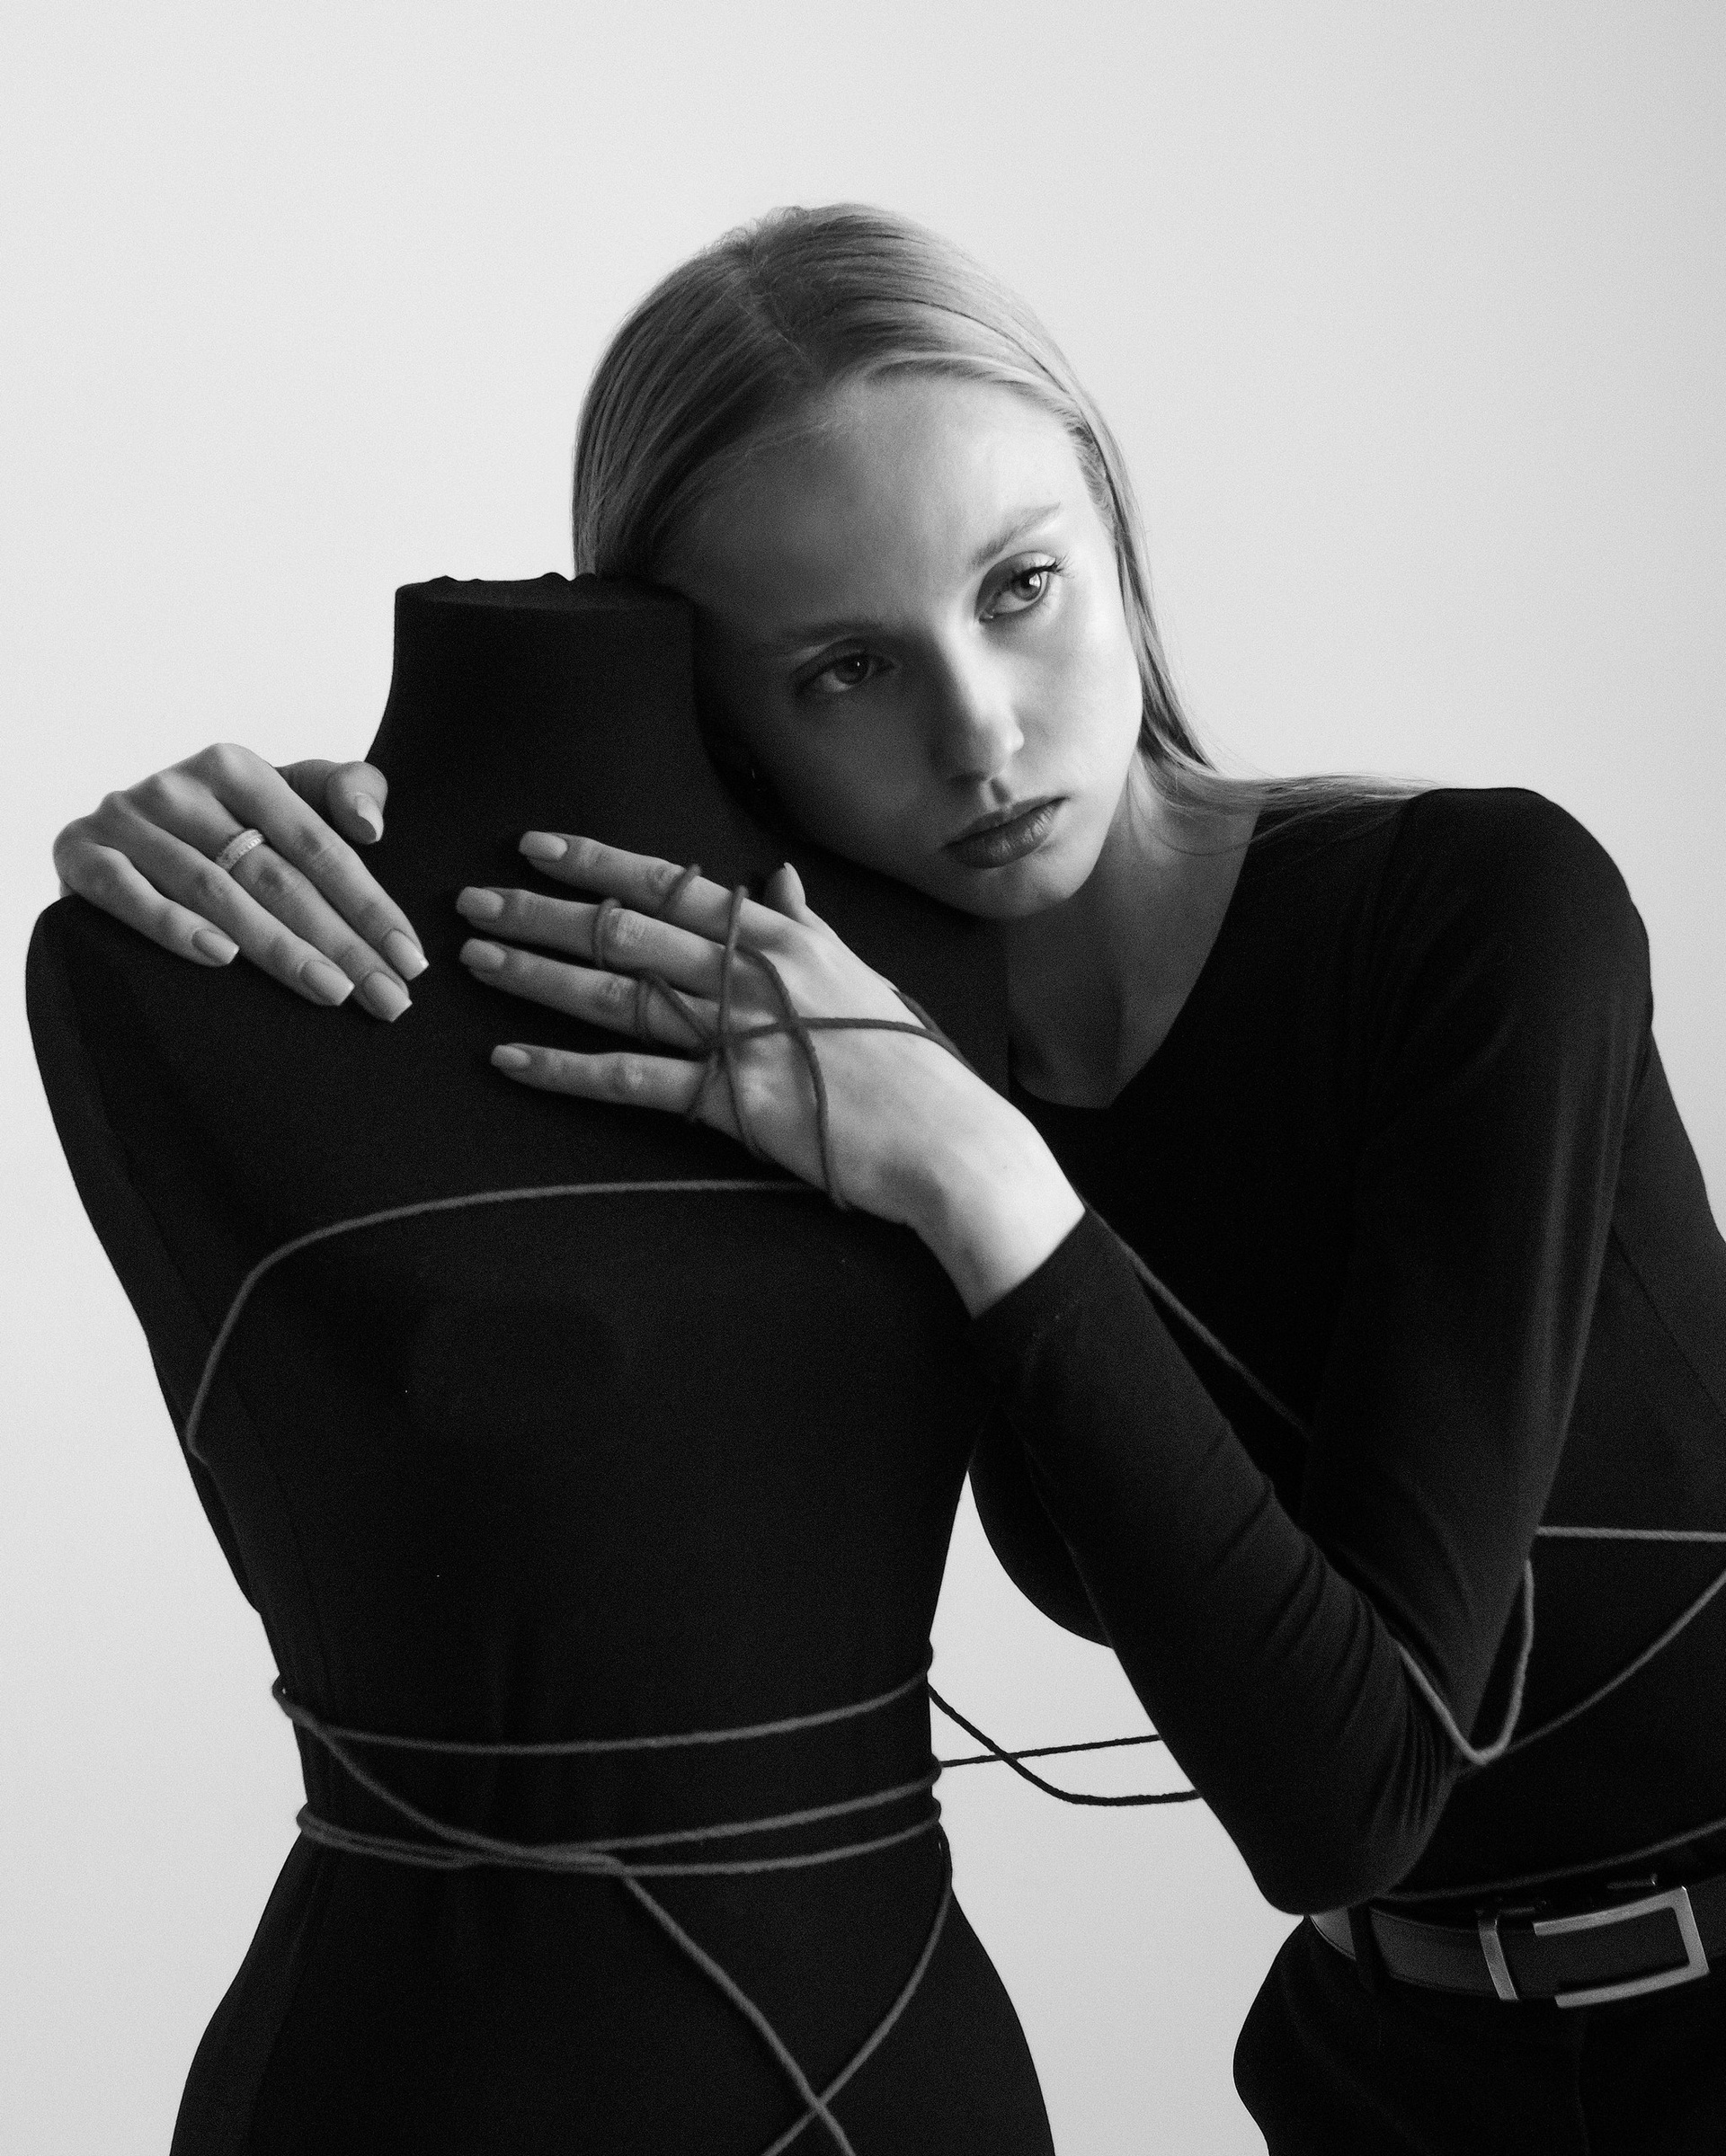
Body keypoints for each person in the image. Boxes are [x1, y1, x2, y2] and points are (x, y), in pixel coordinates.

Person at [50, 203, 1726, 2152]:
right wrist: (203, 848)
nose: (981, 731)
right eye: (846, 668)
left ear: (1111, 526)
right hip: (1394, 2079)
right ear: (718, 712)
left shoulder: (1485, 919)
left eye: (1021, 585)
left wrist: (978, 1173)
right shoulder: (813, 1040)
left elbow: (1357, 1788)